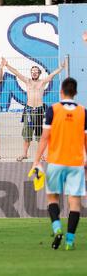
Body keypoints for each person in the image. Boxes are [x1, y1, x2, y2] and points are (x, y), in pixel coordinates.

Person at [32, 77, 86, 251]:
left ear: (61, 91)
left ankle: (57, 229)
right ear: (75, 93)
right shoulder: (83, 112)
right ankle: (69, 241)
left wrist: (36, 160)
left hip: (56, 161)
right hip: (76, 163)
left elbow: (44, 137)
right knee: (74, 203)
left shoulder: (52, 110)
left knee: (52, 198)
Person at [4, 59, 67, 161]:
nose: (34, 73)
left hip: (39, 111)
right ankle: (24, 154)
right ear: (31, 73)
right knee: (26, 135)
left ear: (39, 74)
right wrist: (7, 65)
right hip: (28, 110)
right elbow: (16, 72)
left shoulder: (42, 82)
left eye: (36, 72)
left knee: (40, 135)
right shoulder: (27, 81)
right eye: (32, 72)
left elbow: (52, 75)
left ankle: (42, 155)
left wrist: (61, 67)